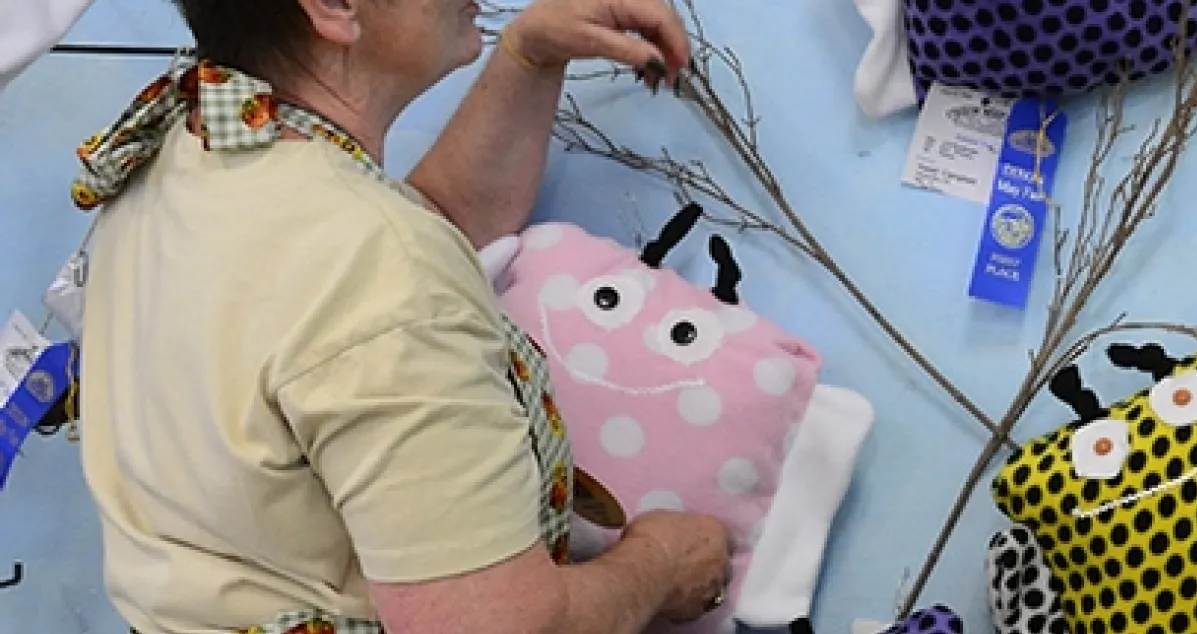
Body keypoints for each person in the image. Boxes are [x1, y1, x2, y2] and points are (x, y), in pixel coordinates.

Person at [68, 0, 730, 633]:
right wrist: (660, 566)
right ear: (332, 5)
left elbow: (392, 267)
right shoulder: (380, 278)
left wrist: (529, 56)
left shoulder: (199, 140)